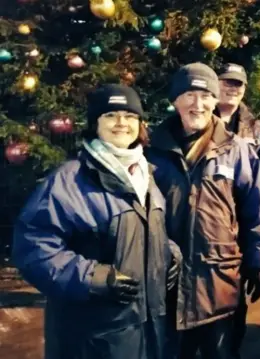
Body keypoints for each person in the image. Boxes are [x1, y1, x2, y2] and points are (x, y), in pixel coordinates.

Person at [11, 84, 181, 359]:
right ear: (95, 123)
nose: (122, 123)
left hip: (148, 333)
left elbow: (143, 233)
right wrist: (93, 277)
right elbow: (34, 247)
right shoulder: (69, 181)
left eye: (129, 116)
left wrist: (168, 252)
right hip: (93, 338)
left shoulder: (146, 176)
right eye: (111, 115)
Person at [145, 63, 260, 359]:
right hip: (167, 283)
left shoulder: (237, 149)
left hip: (219, 281)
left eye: (206, 95)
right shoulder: (152, 150)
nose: (198, 104)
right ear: (175, 100)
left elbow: (258, 211)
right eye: (189, 94)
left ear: (215, 101)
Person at [213, 62, 260, 358]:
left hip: (242, 232)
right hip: (207, 228)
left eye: (238, 84)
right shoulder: (195, 123)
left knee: (234, 304)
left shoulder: (257, 132)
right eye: (227, 82)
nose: (233, 89)